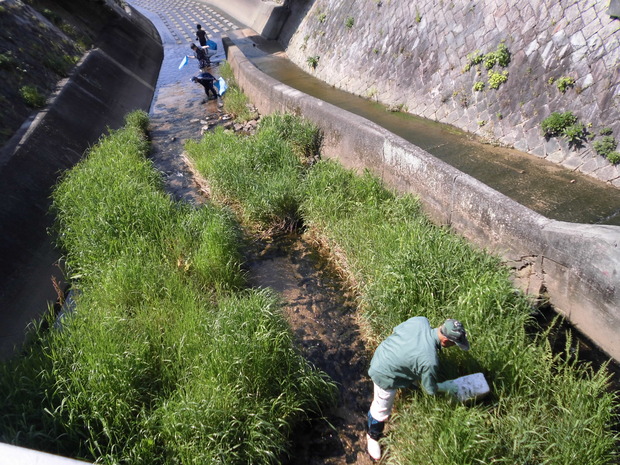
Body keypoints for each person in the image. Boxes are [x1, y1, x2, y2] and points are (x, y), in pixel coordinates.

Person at [366, 317, 470, 461]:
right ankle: (372, 436)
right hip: (383, 374)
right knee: (381, 409)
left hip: (382, 353)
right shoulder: (429, 361)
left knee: (417, 369)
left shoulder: (420, 321)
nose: (454, 346)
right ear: (446, 341)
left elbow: (396, 330)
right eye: (455, 344)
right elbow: (430, 389)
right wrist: (445, 386)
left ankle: (407, 377)